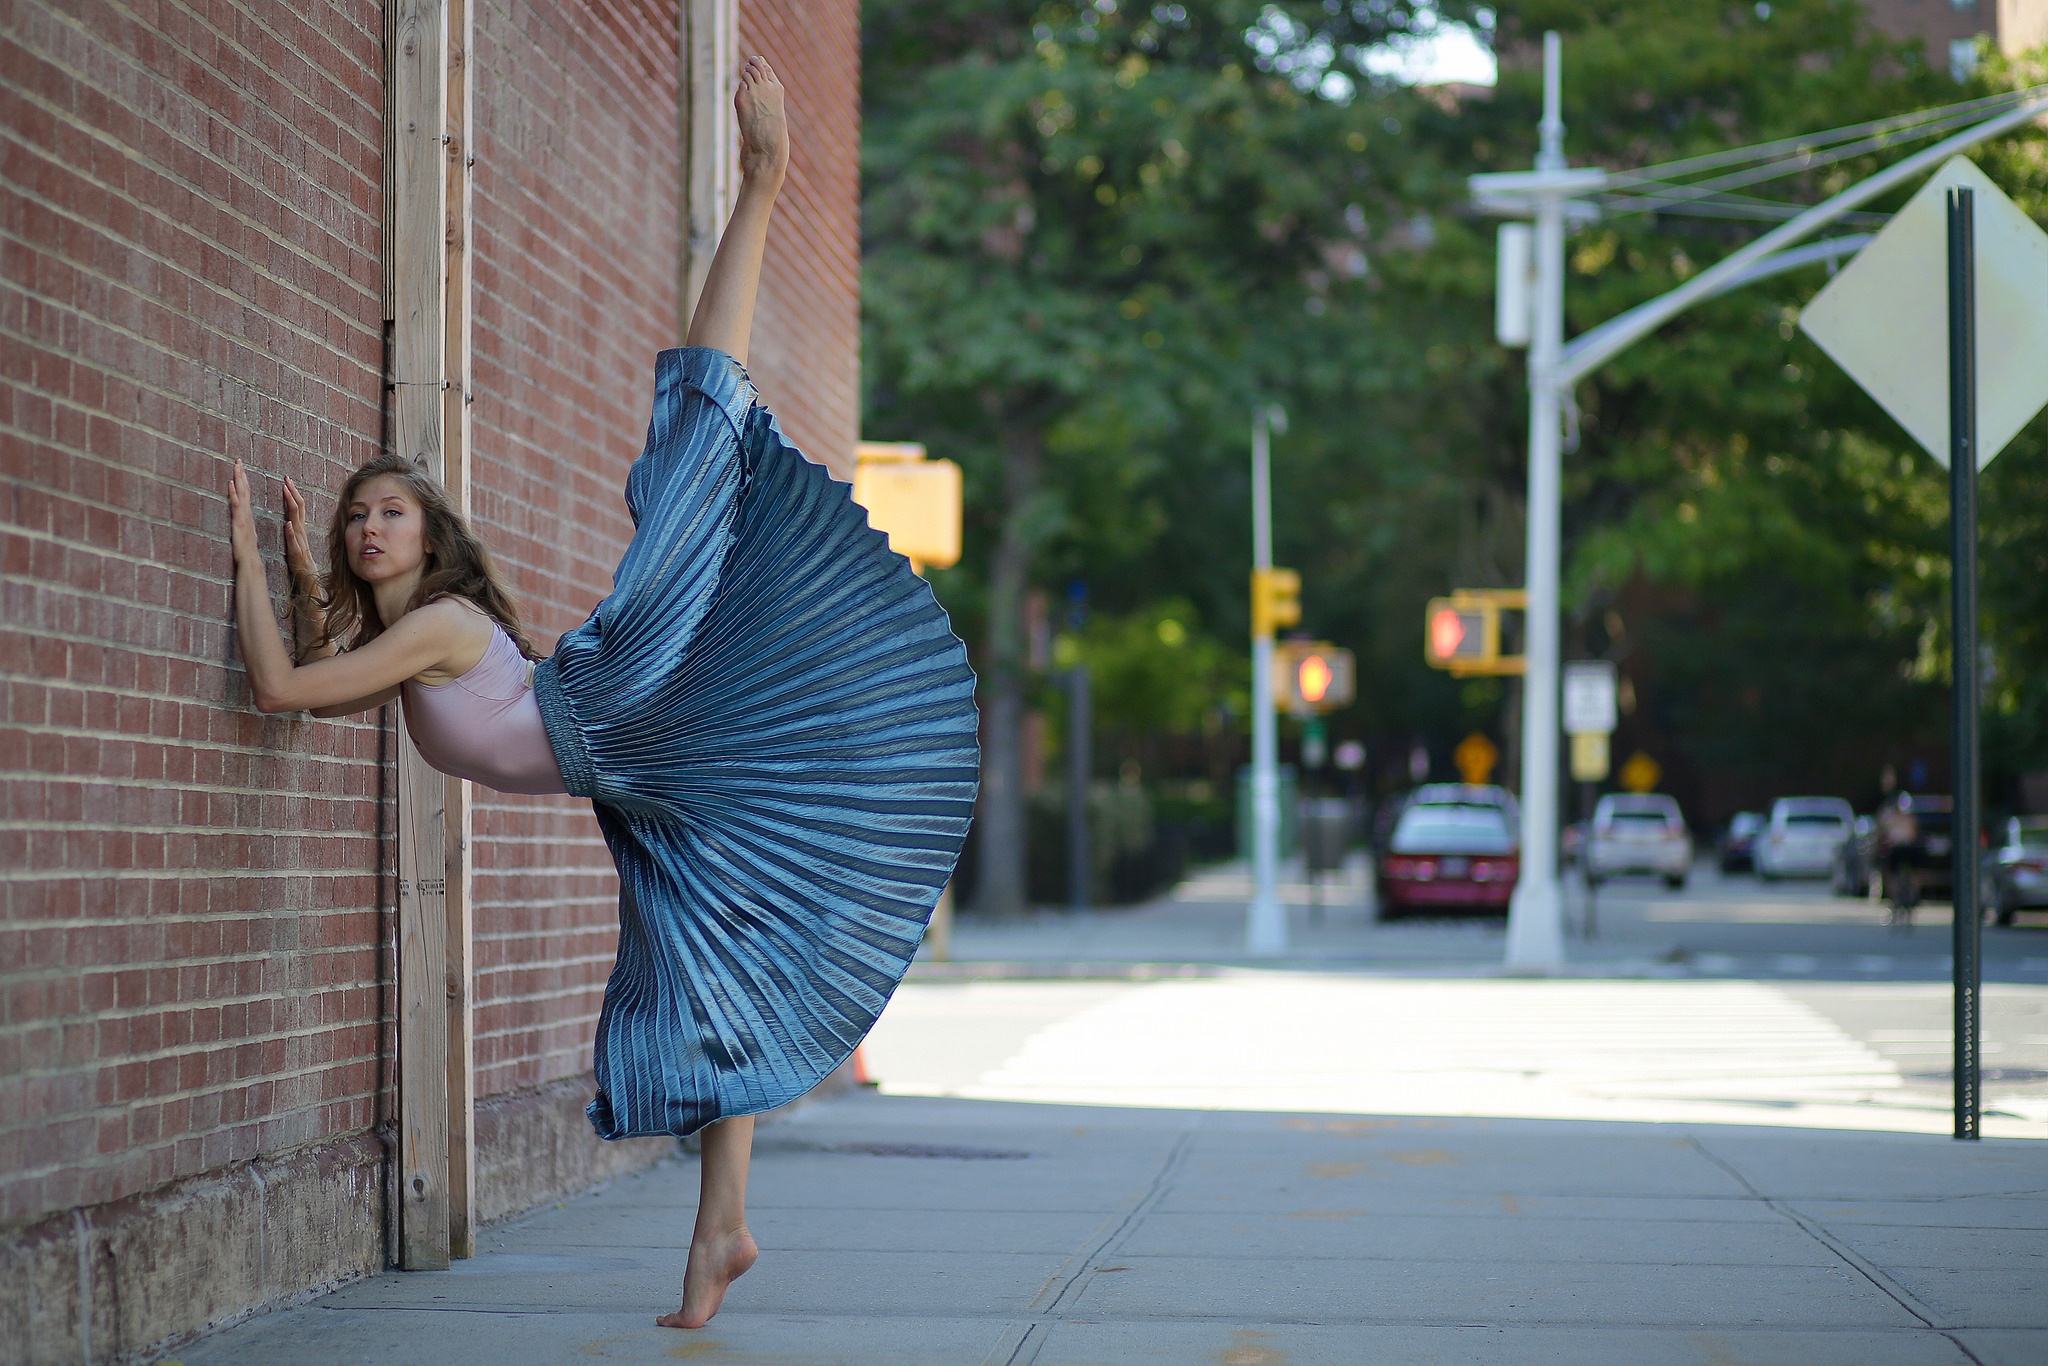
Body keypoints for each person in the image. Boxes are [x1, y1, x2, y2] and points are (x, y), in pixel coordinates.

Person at [226, 57, 977, 1330]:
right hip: (629, 774)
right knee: (712, 971)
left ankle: (766, 183)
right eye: (356, 518)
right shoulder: (413, 638)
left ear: (432, 533)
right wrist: (300, 568)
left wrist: (248, 550)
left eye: (389, 513)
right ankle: (721, 1231)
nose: (367, 530)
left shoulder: (446, 628)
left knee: (696, 439)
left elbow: (286, 685)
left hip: (618, 706)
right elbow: (319, 658)